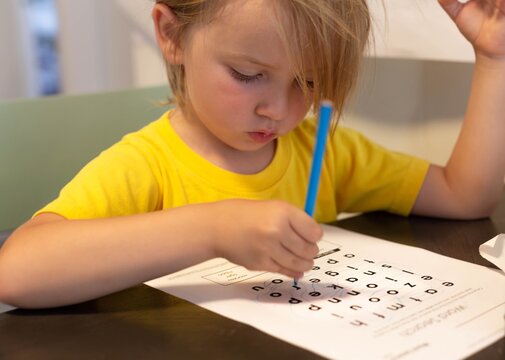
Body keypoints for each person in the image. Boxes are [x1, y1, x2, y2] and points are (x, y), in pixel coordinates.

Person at [0, 0, 504, 309]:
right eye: (247, 74)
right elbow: (17, 272)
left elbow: (465, 195)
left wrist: (494, 58)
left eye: (307, 81)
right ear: (172, 35)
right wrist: (213, 228)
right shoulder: (148, 164)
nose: (279, 109)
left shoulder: (323, 153)